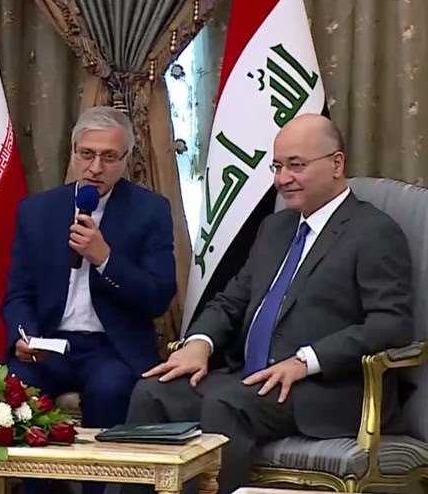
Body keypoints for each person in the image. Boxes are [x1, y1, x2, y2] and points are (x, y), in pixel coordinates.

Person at [117, 114, 412, 494]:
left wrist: (306, 360)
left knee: (226, 403)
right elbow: (231, 300)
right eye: (277, 166)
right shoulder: (276, 228)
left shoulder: (373, 231)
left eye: (296, 165)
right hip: (252, 380)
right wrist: (198, 343)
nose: (282, 178)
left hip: (325, 389)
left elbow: (391, 323)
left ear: (336, 164)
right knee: (153, 391)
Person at [1, 106, 177, 494]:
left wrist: (105, 259)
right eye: (87, 154)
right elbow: (18, 292)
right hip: (49, 344)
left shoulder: (150, 211)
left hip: (111, 348)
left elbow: (158, 297)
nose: (95, 167)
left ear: (126, 159)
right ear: (73, 152)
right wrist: (23, 337)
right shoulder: (37, 211)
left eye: (109, 157)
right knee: (17, 385)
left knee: (111, 388)